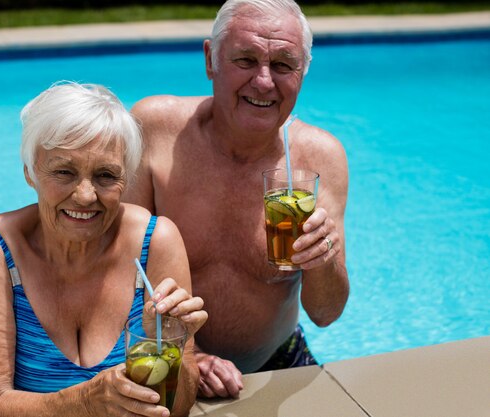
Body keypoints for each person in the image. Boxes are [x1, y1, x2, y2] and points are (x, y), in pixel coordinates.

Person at [123, 0, 349, 399]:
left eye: (283, 65)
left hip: (278, 360)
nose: (264, 82)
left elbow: (326, 313)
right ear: (211, 59)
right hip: (166, 356)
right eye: (245, 60)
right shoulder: (155, 129)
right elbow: (113, 269)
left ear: (303, 72)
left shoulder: (319, 158)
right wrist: (191, 355)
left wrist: (324, 258)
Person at [0, 81, 207, 417]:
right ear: (30, 172)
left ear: (126, 179)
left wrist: (169, 341)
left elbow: (178, 408)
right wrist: (84, 402)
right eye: (64, 172)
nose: (86, 196)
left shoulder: (156, 241)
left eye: (106, 175)